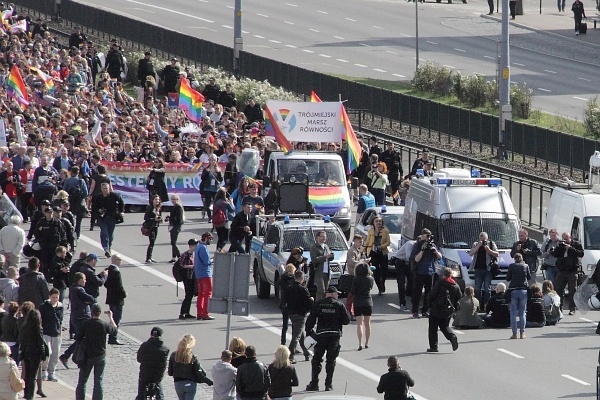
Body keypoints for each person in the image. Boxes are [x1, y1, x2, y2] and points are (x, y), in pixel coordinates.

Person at [305, 286, 350, 392]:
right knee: (331, 361)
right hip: (334, 336)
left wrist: (309, 333)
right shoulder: (339, 305)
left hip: (321, 335)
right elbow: (346, 320)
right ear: (333, 294)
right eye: (337, 294)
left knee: (316, 360)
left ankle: (314, 383)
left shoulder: (319, 304)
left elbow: (311, 320)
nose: (338, 295)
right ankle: (328, 384)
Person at [75, 304, 118, 400]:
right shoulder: (104, 325)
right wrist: (111, 317)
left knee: (82, 381)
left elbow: (78, 338)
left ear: (91, 312)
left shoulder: (86, 324)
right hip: (100, 356)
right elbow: (115, 330)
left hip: (87, 356)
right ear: (100, 313)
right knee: (98, 381)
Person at [59, 272, 96, 368]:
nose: (85, 281)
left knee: (82, 339)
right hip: (82, 317)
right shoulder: (79, 290)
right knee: (82, 339)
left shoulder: (73, 288)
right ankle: (69, 356)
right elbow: (91, 299)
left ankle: (76, 358)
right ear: (79, 280)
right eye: (84, 279)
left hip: (76, 317)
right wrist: (87, 301)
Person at [426, 267, 461, 353]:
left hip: (436, 309)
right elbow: (459, 297)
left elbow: (432, 294)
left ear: (443, 274)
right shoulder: (455, 285)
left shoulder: (440, 283)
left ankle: (433, 347)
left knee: (433, 328)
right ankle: (452, 336)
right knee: (444, 326)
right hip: (448, 310)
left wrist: (428, 304)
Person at [168, 334, 213, 400]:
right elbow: (199, 373)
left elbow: (170, 372)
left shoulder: (174, 355)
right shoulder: (192, 357)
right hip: (190, 383)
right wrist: (209, 382)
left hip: (178, 383)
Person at [410, 229, 442, 319]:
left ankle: (425, 310)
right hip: (420, 271)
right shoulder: (417, 245)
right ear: (422, 235)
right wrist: (422, 250)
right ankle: (415, 311)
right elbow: (416, 259)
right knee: (417, 292)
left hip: (430, 271)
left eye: (429, 236)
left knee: (428, 293)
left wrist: (435, 250)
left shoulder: (432, 245)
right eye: (426, 236)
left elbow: (440, 257)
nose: (428, 238)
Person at [551, 232, 584, 315]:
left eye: (566, 239)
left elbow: (581, 253)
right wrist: (557, 248)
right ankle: (559, 308)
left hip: (572, 271)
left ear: (570, 238)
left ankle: (572, 308)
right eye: (563, 239)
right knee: (558, 290)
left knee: (572, 290)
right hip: (562, 270)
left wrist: (570, 248)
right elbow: (556, 255)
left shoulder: (576, 244)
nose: (565, 241)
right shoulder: (561, 245)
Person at [19, 308, 47, 400]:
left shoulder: (24, 327)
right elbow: (40, 342)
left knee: (27, 374)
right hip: (35, 353)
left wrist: (22, 352)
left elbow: (22, 341)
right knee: (33, 376)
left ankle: (26, 394)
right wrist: (43, 354)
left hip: (26, 352)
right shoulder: (38, 328)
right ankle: (30, 396)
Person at [286, 270, 313, 364]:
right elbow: (308, 303)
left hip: (291, 313)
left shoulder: (289, 288)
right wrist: (311, 300)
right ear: (302, 278)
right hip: (300, 314)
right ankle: (290, 356)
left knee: (300, 334)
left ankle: (306, 352)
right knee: (296, 336)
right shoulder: (303, 289)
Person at [136, 327, 170, 400]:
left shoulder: (144, 345)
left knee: (141, 394)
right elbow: (164, 364)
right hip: (157, 376)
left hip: (145, 374)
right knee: (160, 394)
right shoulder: (165, 349)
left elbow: (139, 359)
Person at [91, 182, 124, 258]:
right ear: (101, 189)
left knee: (110, 235)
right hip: (102, 218)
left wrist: (121, 211)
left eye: (107, 188)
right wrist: (98, 210)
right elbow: (94, 207)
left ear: (109, 189)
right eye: (104, 189)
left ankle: (109, 247)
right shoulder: (98, 197)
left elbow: (121, 202)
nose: (105, 190)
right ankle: (106, 248)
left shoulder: (114, 196)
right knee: (104, 232)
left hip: (112, 217)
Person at [468, 232, 499, 308]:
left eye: (484, 240)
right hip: (478, 269)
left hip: (488, 269)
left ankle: (486, 305)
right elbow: (470, 253)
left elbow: (497, 254)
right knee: (477, 288)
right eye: (481, 240)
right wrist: (478, 246)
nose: (483, 242)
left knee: (487, 289)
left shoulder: (491, 244)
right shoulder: (476, 244)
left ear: (487, 239)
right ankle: (478, 305)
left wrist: (488, 250)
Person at [39, 288, 63, 382]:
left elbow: (60, 320)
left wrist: (60, 333)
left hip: (56, 333)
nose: (55, 299)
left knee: (55, 354)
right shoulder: (44, 306)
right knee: (48, 353)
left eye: (57, 297)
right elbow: (41, 319)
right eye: (53, 297)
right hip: (46, 333)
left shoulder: (60, 307)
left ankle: (52, 372)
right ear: (49, 297)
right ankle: (44, 370)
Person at [506, 253, 531, 339]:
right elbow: (529, 277)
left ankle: (514, 333)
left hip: (513, 290)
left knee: (513, 313)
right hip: (523, 290)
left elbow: (508, 278)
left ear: (514, 259)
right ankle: (522, 333)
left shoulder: (511, 266)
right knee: (522, 312)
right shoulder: (525, 266)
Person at [364, 216, 390, 295]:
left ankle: (383, 283)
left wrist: (382, 246)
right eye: (376, 221)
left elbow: (388, 242)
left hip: (382, 252)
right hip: (373, 253)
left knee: (384, 270)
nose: (378, 223)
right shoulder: (371, 231)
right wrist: (364, 250)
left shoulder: (385, 231)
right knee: (376, 271)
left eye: (380, 221)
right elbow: (368, 241)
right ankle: (380, 287)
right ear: (373, 223)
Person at [351, 262, 374, 351]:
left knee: (359, 324)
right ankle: (367, 343)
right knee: (367, 324)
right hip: (368, 302)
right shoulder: (370, 279)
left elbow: (353, 291)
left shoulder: (356, 279)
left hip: (358, 302)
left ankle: (360, 343)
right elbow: (371, 288)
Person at [104, 254, 126, 345]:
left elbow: (105, 283)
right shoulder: (116, 271)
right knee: (116, 318)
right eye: (120, 260)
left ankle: (111, 336)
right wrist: (124, 294)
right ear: (116, 260)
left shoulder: (108, 269)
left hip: (111, 298)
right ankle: (113, 337)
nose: (121, 261)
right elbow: (119, 286)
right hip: (117, 299)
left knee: (112, 317)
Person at [310, 230, 335, 301]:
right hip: (319, 272)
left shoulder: (326, 246)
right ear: (317, 237)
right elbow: (314, 259)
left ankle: (324, 305)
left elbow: (330, 257)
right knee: (321, 291)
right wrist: (325, 257)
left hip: (327, 272)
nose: (324, 238)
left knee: (326, 292)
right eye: (322, 236)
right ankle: (318, 306)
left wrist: (331, 256)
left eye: (325, 236)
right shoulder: (314, 247)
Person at [195, 232, 214, 320]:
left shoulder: (198, 247)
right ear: (206, 238)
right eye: (210, 239)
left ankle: (200, 313)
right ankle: (205, 313)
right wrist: (212, 260)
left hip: (199, 274)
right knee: (208, 294)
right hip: (205, 274)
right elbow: (206, 261)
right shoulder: (203, 248)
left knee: (201, 294)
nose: (211, 241)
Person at [178, 239, 198, 320]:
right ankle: (182, 313)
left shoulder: (194, 254)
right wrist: (190, 266)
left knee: (190, 296)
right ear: (191, 246)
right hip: (187, 278)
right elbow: (181, 265)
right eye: (195, 245)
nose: (196, 247)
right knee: (188, 295)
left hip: (193, 277)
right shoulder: (185, 254)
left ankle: (187, 313)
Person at [345, 235, 364, 318]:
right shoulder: (351, 250)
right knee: (351, 295)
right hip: (352, 275)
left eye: (361, 242)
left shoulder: (357, 250)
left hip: (357, 275)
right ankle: (348, 312)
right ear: (355, 241)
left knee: (355, 295)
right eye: (360, 242)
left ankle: (352, 311)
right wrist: (361, 262)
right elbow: (351, 262)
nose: (361, 243)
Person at [394, 239, 415, 311]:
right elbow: (408, 256)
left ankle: (414, 304)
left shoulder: (418, 246)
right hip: (400, 262)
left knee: (412, 281)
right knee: (401, 283)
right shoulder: (410, 244)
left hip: (408, 263)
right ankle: (402, 303)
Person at [380, 141, 403, 205]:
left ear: (393, 145)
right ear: (387, 146)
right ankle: (383, 200)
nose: (390, 146)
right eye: (389, 145)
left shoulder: (396, 154)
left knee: (395, 189)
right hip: (386, 173)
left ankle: (395, 201)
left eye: (391, 145)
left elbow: (399, 165)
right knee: (384, 187)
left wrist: (401, 174)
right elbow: (381, 163)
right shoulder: (384, 154)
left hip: (394, 174)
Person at [279, 264, 296, 346]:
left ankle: (283, 343)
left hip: (284, 304)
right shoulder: (293, 280)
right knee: (294, 325)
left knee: (284, 326)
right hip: (292, 304)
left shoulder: (282, 279)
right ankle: (293, 344)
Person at [144, 194, 163, 264]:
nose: (157, 201)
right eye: (156, 199)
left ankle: (150, 257)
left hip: (156, 226)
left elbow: (160, 217)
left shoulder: (159, 208)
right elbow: (145, 217)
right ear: (152, 200)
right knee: (151, 242)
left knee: (153, 242)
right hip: (150, 227)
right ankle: (148, 258)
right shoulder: (149, 208)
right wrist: (153, 219)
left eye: (158, 199)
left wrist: (160, 219)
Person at [167, 195, 186, 263]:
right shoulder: (174, 207)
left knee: (173, 243)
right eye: (172, 199)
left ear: (177, 199)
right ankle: (173, 258)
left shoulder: (178, 207)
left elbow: (179, 219)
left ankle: (179, 257)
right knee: (173, 242)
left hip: (176, 226)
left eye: (174, 199)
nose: (173, 200)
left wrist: (171, 219)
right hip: (173, 226)